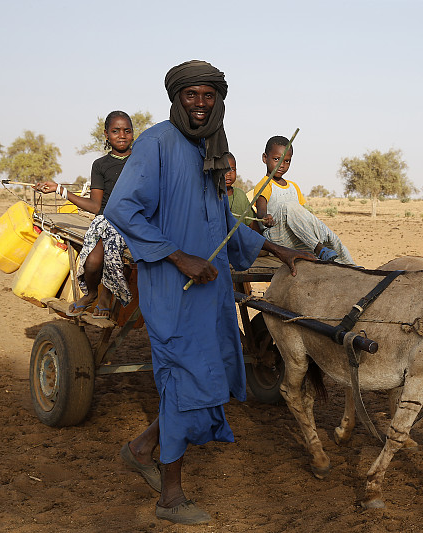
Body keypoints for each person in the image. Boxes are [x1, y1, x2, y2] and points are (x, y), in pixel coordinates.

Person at [103, 60, 314, 526]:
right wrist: (179, 257)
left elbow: (222, 221)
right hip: (172, 287)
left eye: (208, 95)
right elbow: (122, 209)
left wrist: (280, 251)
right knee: (182, 380)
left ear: (218, 99)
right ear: (176, 98)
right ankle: (170, 498)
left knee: (204, 375)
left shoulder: (213, 148)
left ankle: (140, 448)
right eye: (190, 95)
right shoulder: (157, 143)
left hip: (211, 290)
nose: (200, 104)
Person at [35, 111, 135, 318]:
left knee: (113, 251)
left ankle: (106, 296)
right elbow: (96, 205)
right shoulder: (100, 165)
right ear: (106, 135)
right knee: (93, 261)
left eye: (127, 130)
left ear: (133, 134)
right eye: (115, 131)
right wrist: (59, 189)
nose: (122, 135)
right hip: (106, 221)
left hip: (134, 221)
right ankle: (91, 294)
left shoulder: (141, 162)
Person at [255, 136, 355, 265]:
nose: (282, 165)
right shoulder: (265, 184)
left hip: (296, 236)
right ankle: (319, 248)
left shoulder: (293, 186)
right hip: (276, 236)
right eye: (276, 159)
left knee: (327, 233)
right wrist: (265, 217)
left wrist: (317, 227)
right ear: (265, 158)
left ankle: (351, 266)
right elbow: (261, 210)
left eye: (287, 161)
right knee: (289, 207)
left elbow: (303, 215)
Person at [224, 152, 259, 232]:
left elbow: (252, 223)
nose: (228, 174)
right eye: (224, 170)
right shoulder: (212, 196)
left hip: (239, 242)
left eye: (232, 169)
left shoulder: (240, 194)